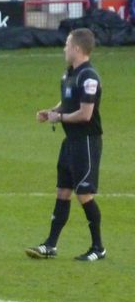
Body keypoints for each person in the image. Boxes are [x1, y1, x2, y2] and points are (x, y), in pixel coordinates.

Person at [26, 28, 105, 262]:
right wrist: (53, 111)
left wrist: (59, 118)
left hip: (86, 143)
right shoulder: (69, 74)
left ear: (77, 49)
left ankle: (98, 247)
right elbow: (69, 102)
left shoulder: (89, 77)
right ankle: (50, 245)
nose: (64, 48)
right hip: (70, 142)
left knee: (84, 194)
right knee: (62, 191)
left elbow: (86, 114)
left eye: (67, 45)